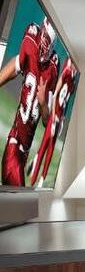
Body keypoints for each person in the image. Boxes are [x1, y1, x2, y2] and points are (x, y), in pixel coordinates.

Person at [0, 17, 59, 186]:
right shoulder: (31, 40)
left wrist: (43, 103)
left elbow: (46, 120)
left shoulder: (53, 67)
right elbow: (16, 65)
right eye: (44, 42)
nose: (44, 49)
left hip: (24, 151)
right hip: (15, 143)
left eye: (48, 45)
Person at [29, 56, 76, 186]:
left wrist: (62, 119)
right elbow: (55, 96)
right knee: (45, 145)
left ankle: (41, 179)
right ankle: (33, 179)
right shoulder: (66, 72)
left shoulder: (73, 78)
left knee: (51, 148)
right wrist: (54, 115)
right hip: (54, 116)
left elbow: (66, 102)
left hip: (59, 117)